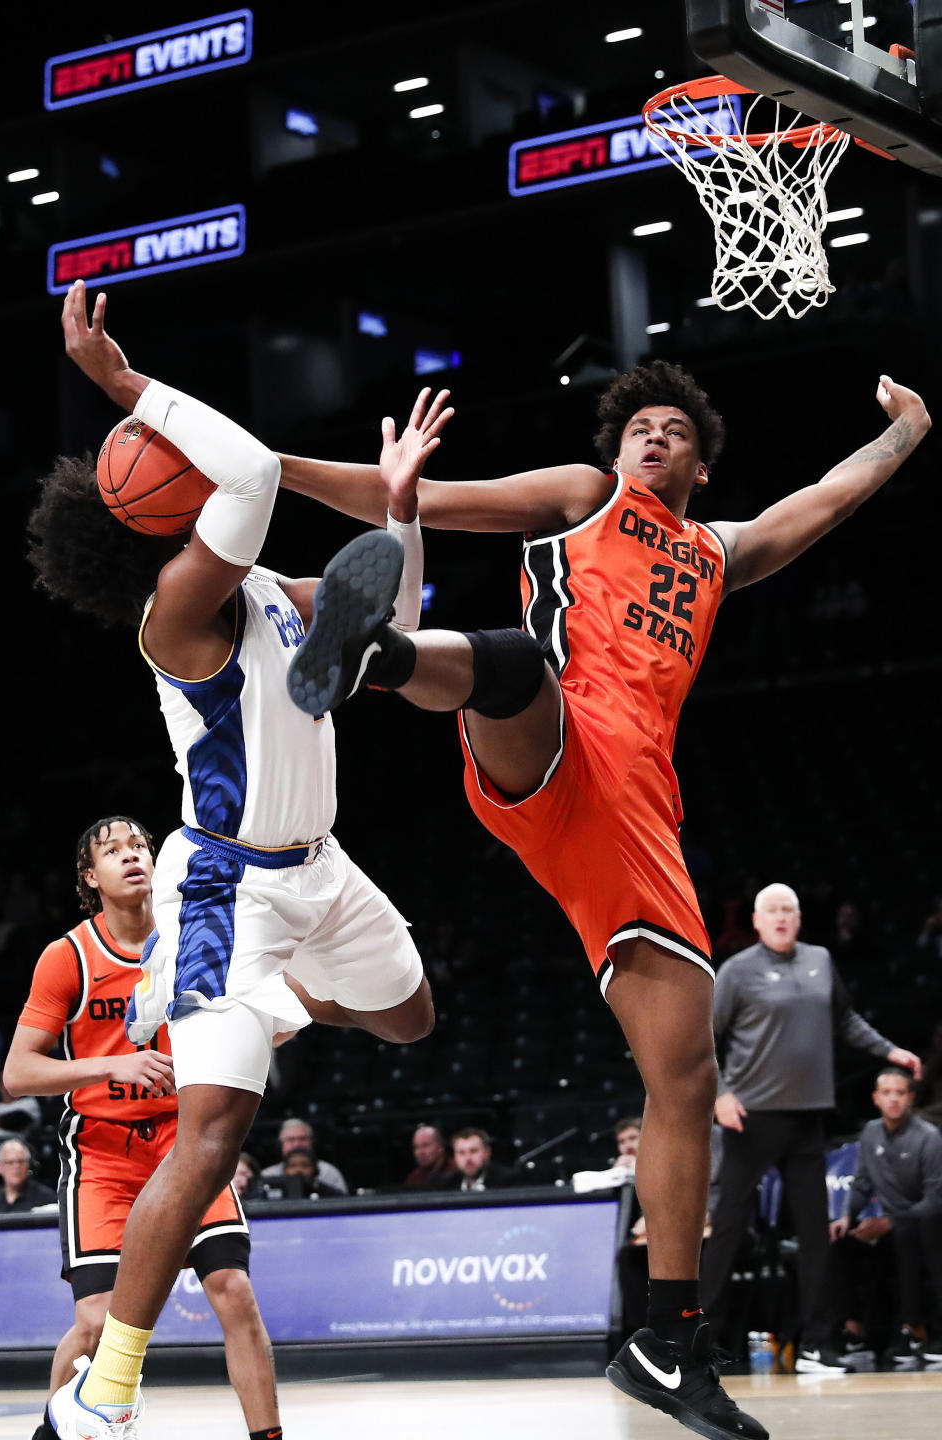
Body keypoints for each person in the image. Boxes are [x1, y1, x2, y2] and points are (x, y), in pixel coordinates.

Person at [282, 357, 930, 1440]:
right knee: (516, 666)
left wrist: (905, 434)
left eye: (675, 430)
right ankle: (380, 657)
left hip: (637, 806)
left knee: (684, 1073)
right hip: (554, 734)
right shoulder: (589, 498)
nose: (653, 439)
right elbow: (418, 498)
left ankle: (668, 1342)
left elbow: (821, 502)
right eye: (640, 427)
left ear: (702, 464)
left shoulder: (718, 550)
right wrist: (270, 470)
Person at [25, 280, 448, 1440]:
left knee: (412, 1017)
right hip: (223, 888)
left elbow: (390, 619)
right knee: (212, 1127)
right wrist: (121, 389)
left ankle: (277, 1010)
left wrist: (401, 511)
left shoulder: (262, 590)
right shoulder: (175, 612)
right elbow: (255, 471)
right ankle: (105, 1391)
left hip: (323, 867)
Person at [2, 816, 280, 1440]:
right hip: (104, 1153)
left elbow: (261, 1025)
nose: (132, 857)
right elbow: (18, 1073)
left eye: (140, 847)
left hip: (187, 1145)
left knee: (234, 1290)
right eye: (113, 851)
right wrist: (113, 1064)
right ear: (89, 878)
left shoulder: (196, 937)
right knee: (98, 1323)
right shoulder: (67, 955)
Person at [701, 882, 922, 1374]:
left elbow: (845, 1021)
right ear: (756, 921)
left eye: (789, 910)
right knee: (729, 1229)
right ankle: (702, 1342)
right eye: (771, 911)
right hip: (749, 1120)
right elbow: (703, 1040)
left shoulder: (821, 960)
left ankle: (817, 1345)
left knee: (816, 1237)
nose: (781, 917)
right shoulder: (736, 972)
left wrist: (890, 1051)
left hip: (807, 1118)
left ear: (799, 918)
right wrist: (720, 1097)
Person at [830, 1066, 942, 1366]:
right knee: (836, 1239)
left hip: (922, 1224)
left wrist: (889, 1222)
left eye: (900, 1093)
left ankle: (912, 1330)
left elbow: (935, 1199)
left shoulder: (928, 1137)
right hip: (886, 1224)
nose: (893, 1099)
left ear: (911, 1098)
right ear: (876, 1098)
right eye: (887, 1093)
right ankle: (853, 1331)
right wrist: (845, 1218)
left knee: (909, 1234)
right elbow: (862, 1183)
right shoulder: (870, 1132)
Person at [260, 1115, 347, 1193]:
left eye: (302, 1139)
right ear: (281, 1145)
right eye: (290, 1140)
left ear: (312, 1142)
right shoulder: (267, 1175)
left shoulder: (329, 1173)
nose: (297, 1144)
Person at [0, 1136, 55, 1213]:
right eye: (10, 1162)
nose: (16, 1166)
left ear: (29, 1165)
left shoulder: (47, 1198)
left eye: (21, 1161)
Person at [438, 1127, 518, 1192]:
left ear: (487, 1152)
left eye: (473, 1151)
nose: (468, 1158)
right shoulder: (445, 1184)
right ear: (454, 1156)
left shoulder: (507, 1181)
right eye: (461, 1153)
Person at [265, 1146, 346, 1200]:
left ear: (315, 1170)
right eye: (292, 1166)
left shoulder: (332, 1195)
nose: (298, 1170)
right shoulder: (275, 1194)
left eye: (305, 1165)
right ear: (284, 1170)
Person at [403, 1123, 455, 1187]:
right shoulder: (414, 1178)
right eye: (416, 1147)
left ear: (440, 1147)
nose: (420, 1152)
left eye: (425, 1145)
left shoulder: (457, 1171)